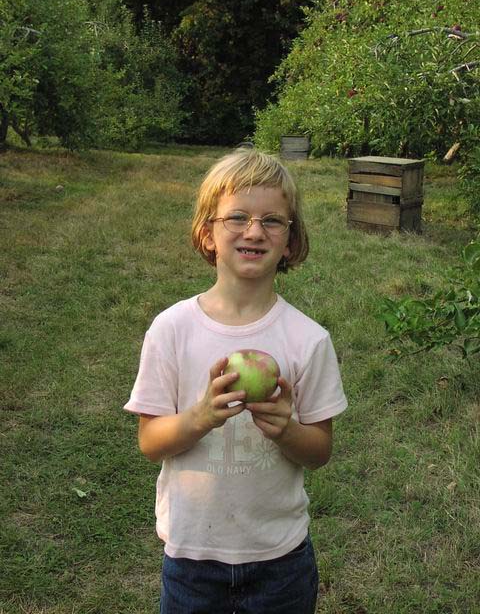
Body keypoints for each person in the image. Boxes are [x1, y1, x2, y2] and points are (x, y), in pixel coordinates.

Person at [124, 146, 348, 614]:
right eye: (237, 217)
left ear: (290, 241)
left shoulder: (307, 339)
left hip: (280, 559)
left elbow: (320, 451)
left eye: (272, 221)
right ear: (208, 233)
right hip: (192, 560)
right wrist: (201, 417)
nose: (254, 231)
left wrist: (287, 429)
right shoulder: (173, 330)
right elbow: (150, 441)